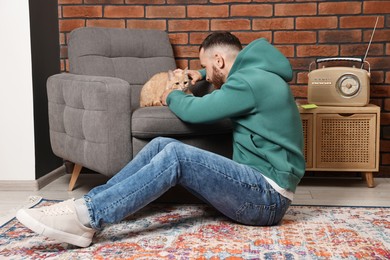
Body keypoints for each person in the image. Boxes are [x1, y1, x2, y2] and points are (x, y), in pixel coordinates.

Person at [16, 32, 305, 248]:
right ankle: (91, 204)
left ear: (219, 59)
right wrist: (203, 73)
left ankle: (87, 217)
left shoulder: (248, 83)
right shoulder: (259, 74)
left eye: (206, 65)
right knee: (161, 144)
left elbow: (196, 110)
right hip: (263, 192)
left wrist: (171, 94)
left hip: (264, 199)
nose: (205, 74)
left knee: (176, 156)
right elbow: (227, 77)